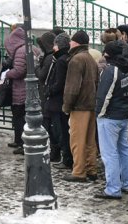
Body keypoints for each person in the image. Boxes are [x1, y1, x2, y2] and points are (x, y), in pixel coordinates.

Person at [96, 39, 128, 200]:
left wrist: (99, 114)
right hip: (123, 115)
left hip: (110, 116)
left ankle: (113, 188)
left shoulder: (110, 70)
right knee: (124, 149)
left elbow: (103, 95)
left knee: (109, 153)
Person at [62, 30, 101, 183]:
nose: (69, 43)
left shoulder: (76, 59)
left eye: (71, 41)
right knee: (90, 140)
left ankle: (79, 171)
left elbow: (72, 87)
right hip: (91, 104)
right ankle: (91, 169)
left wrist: (67, 106)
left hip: (79, 106)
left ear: (76, 42)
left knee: (77, 140)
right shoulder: (90, 58)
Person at [45, 32, 72, 171]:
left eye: (55, 44)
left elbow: (59, 82)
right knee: (62, 130)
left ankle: (66, 158)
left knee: (60, 131)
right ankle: (66, 157)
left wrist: (49, 90)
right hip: (60, 101)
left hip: (57, 102)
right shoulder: (64, 58)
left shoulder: (61, 60)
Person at [4, 23, 29, 154]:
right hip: (26, 89)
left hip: (21, 89)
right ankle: (19, 141)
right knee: (20, 117)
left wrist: (7, 74)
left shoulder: (20, 51)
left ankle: (22, 143)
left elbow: (19, 71)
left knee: (19, 117)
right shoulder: (29, 47)